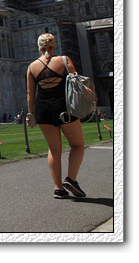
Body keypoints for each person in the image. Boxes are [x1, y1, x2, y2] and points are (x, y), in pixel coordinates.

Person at [26, 33, 87, 199]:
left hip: (43, 110)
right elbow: (77, 82)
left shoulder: (32, 67)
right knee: (77, 145)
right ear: (54, 45)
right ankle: (71, 179)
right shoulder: (64, 60)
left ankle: (58, 188)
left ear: (39, 47)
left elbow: (30, 94)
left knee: (54, 150)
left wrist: (31, 114)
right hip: (64, 108)